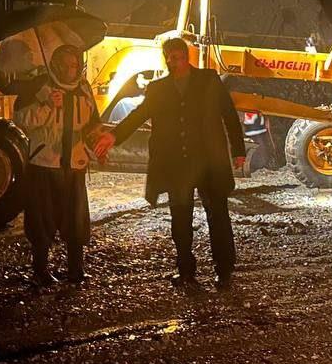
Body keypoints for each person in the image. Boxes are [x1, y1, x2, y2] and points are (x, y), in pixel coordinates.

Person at [95, 37, 246, 289]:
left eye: (175, 57)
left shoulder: (209, 80)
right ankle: (186, 270)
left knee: (218, 216)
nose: (171, 62)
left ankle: (224, 270)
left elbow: (229, 115)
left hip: (209, 162)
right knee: (180, 219)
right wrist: (114, 135)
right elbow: (139, 115)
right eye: (168, 58)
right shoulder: (159, 88)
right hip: (178, 165)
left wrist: (238, 150)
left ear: (185, 57)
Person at [15, 44, 101, 286]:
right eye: (64, 64)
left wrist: (96, 141)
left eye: (73, 64)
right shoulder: (38, 86)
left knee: (76, 219)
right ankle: (40, 270)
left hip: (74, 164)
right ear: (54, 65)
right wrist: (46, 105)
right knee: (43, 219)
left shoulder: (84, 89)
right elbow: (21, 120)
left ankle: (76, 268)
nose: (69, 69)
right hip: (44, 164)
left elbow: (93, 122)